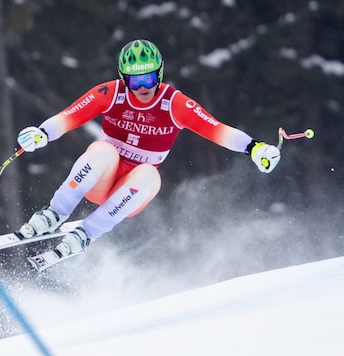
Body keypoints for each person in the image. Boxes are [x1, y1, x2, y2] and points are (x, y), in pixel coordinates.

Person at [16, 39, 281, 257]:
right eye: (134, 81)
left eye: (149, 78)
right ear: (123, 79)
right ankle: (54, 213)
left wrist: (254, 148)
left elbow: (217, 129)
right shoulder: (111, 94)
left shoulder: (173, 103)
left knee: (149, 174)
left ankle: (87, 233)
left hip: (131, 192)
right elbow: (70, 116)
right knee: (103, 150)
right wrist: (42, 134)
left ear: (160, 74)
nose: (143, 88)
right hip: (100, 180)